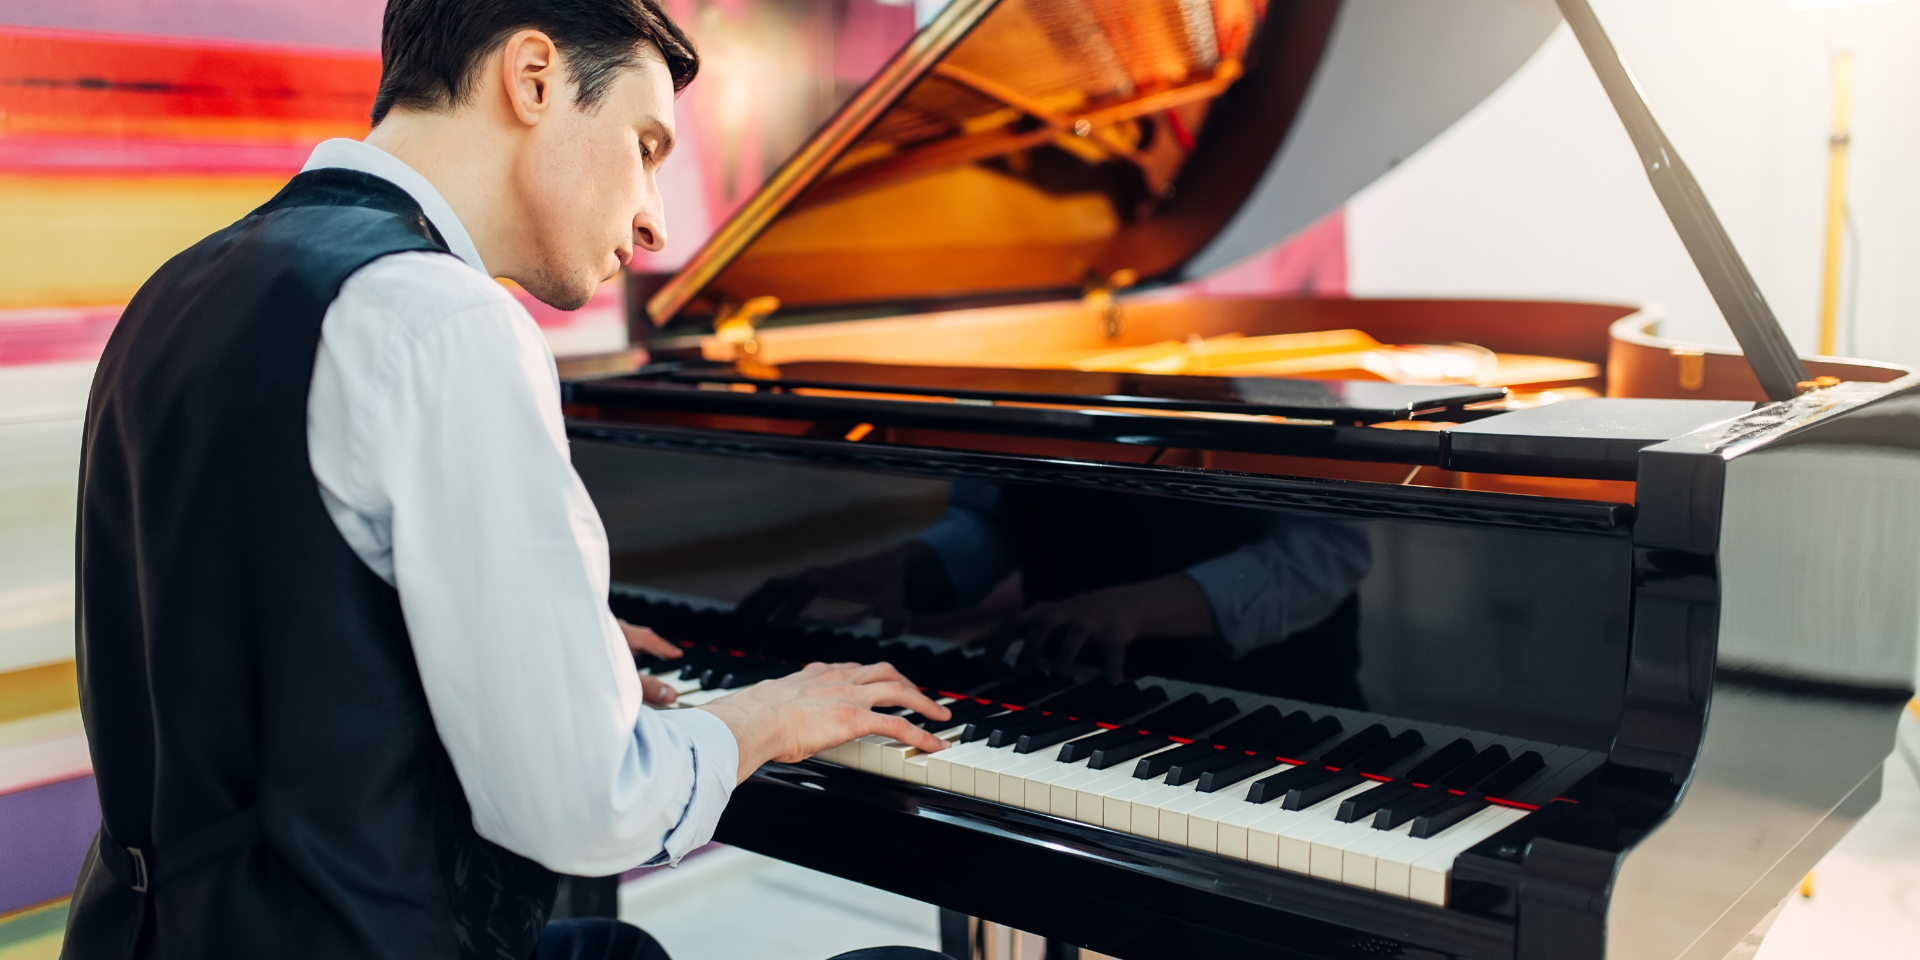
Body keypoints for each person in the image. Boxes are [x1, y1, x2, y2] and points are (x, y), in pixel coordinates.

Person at [65, 2, 952, 958]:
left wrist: (543, 643)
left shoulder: (182, 289)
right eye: (645, 146)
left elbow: (253, 628)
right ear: (532, 78)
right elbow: (585, 805)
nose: (654, 219)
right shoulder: (441, 319)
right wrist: (765, 716)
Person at [742, 483, 1374, 707]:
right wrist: (908, 568)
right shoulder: (1000, 362)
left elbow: (1326, 551)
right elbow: (994, 517)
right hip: (1074, 694)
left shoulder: (1286, 381)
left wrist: (1132, 607)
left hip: (1271, 714)